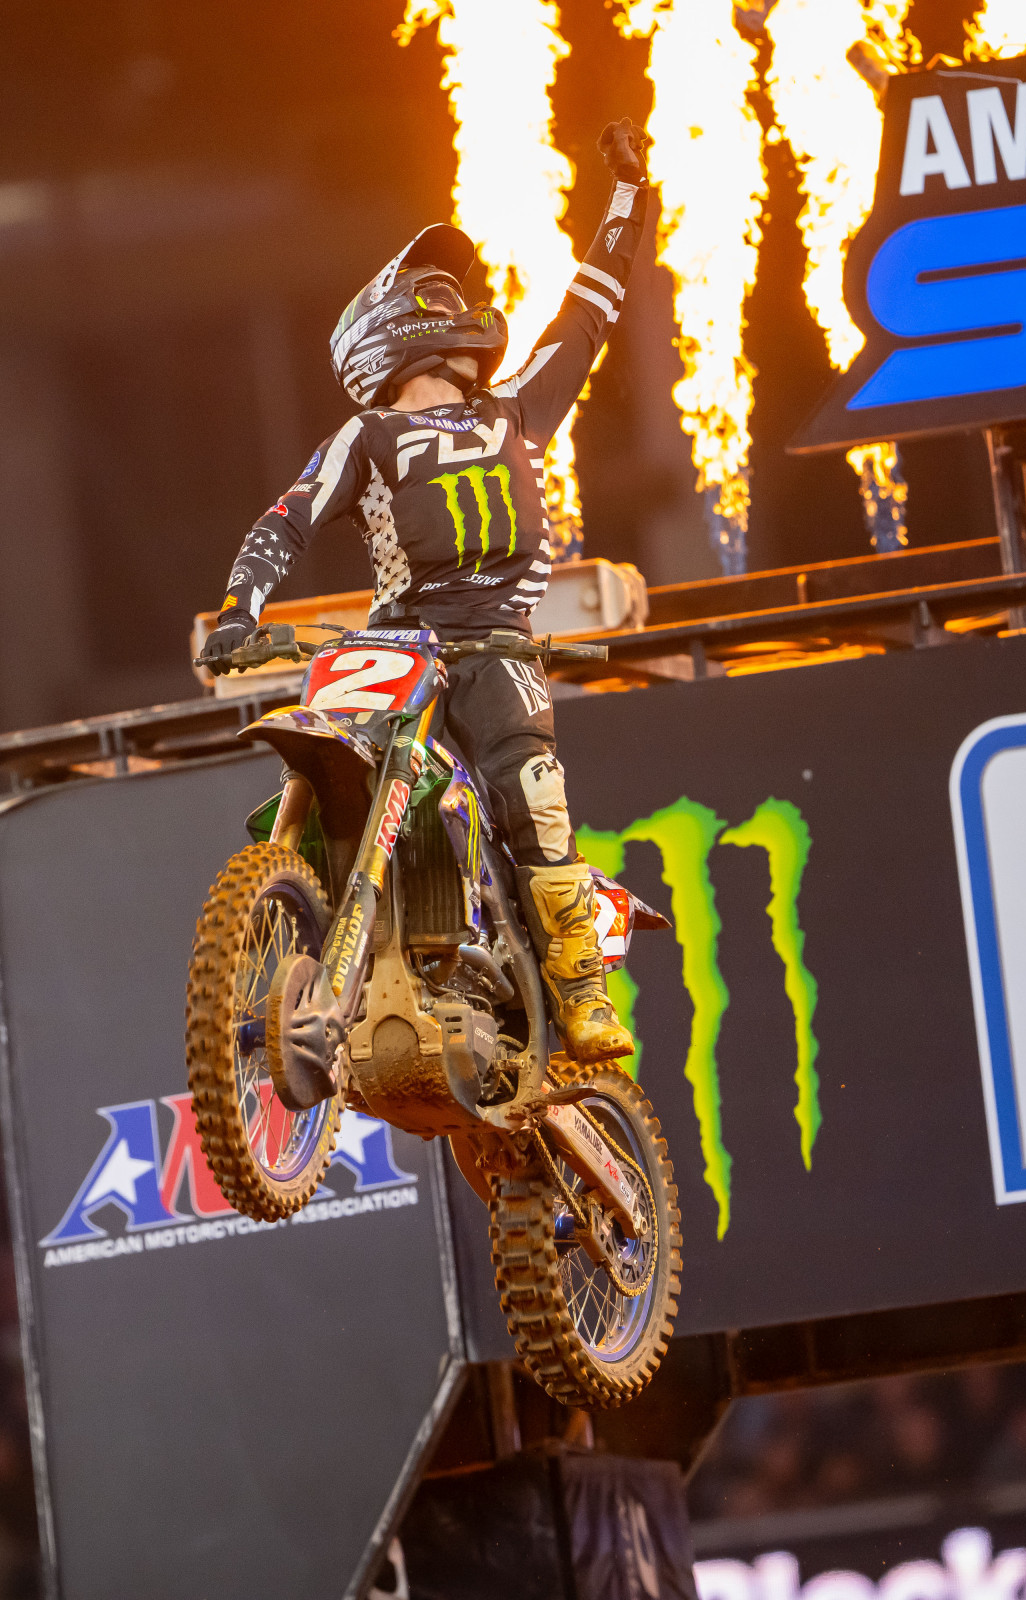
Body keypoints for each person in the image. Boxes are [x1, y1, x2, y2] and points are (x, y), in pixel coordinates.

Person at [196, 119, 658, 1064]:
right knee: (328, 751)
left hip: (499, 646)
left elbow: (591, 309)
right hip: (400, 642)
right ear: (389, 329)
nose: (461, 301)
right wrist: (241, 610)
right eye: (436, 291)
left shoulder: (516, 408)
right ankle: (318, 928)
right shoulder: (364, 438)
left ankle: (579, 991)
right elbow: (283, 520)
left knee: (532, 794)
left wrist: (625, 197)